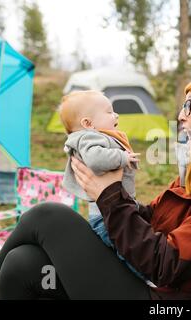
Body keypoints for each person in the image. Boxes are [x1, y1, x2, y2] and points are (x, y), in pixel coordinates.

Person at [0, 70, 191, 300]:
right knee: (21, 263)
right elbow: (151, 217)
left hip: (157, 295)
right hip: (139, 278)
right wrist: (112, 193)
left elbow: (165, 265)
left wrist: (108, 194)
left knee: (49, 216)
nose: (180, 115)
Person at [57, 90, 153, 286]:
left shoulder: (98, 136)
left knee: (128, 244)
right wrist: (122, 157)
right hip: (106, 216)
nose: (116, 115)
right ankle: (143, 280)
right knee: (125, 250)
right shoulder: (88, 138)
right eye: (109, 112)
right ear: (87, 124)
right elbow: (95, 159)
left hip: (116, 208)